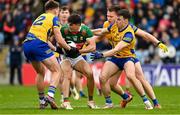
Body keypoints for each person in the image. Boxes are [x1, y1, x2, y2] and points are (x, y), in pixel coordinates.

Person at [92, 9, 168, 109]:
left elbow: (144, 35)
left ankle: (154, 102)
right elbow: (102, 32)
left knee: (138, 78)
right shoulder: (112, 25)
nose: (110, 18)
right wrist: (86, 31)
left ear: (125, 20)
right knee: (107, 80)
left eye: (111, 16)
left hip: (129, 57)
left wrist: (158, 43)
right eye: (108, 16)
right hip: (116, 57)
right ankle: (122, 98)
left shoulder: (129, 32)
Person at [23, 0, 79, 109]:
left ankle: (42, 101)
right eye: (58, 11)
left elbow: (47, 38)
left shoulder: (40, 17)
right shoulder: (54, 18)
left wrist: (56, 47)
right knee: (57, 70)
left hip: (27, 44)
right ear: (55, 10)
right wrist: (69, 49)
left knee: (40, 72)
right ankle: (50, 95)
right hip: (38, 44)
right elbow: (59, 38)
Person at [56, 13, 97, 110]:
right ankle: (66, 101)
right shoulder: (64, 30)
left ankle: (90, 101)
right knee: (67, 74)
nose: (69, 27)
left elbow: (93, 47)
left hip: (77, 57)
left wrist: (79, 51)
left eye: (71, 25)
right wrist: (66, 48)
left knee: (90, 74)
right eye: (68, 24)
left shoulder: (85, 30)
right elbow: (59, 43)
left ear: (78, 25)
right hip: (65, 56)